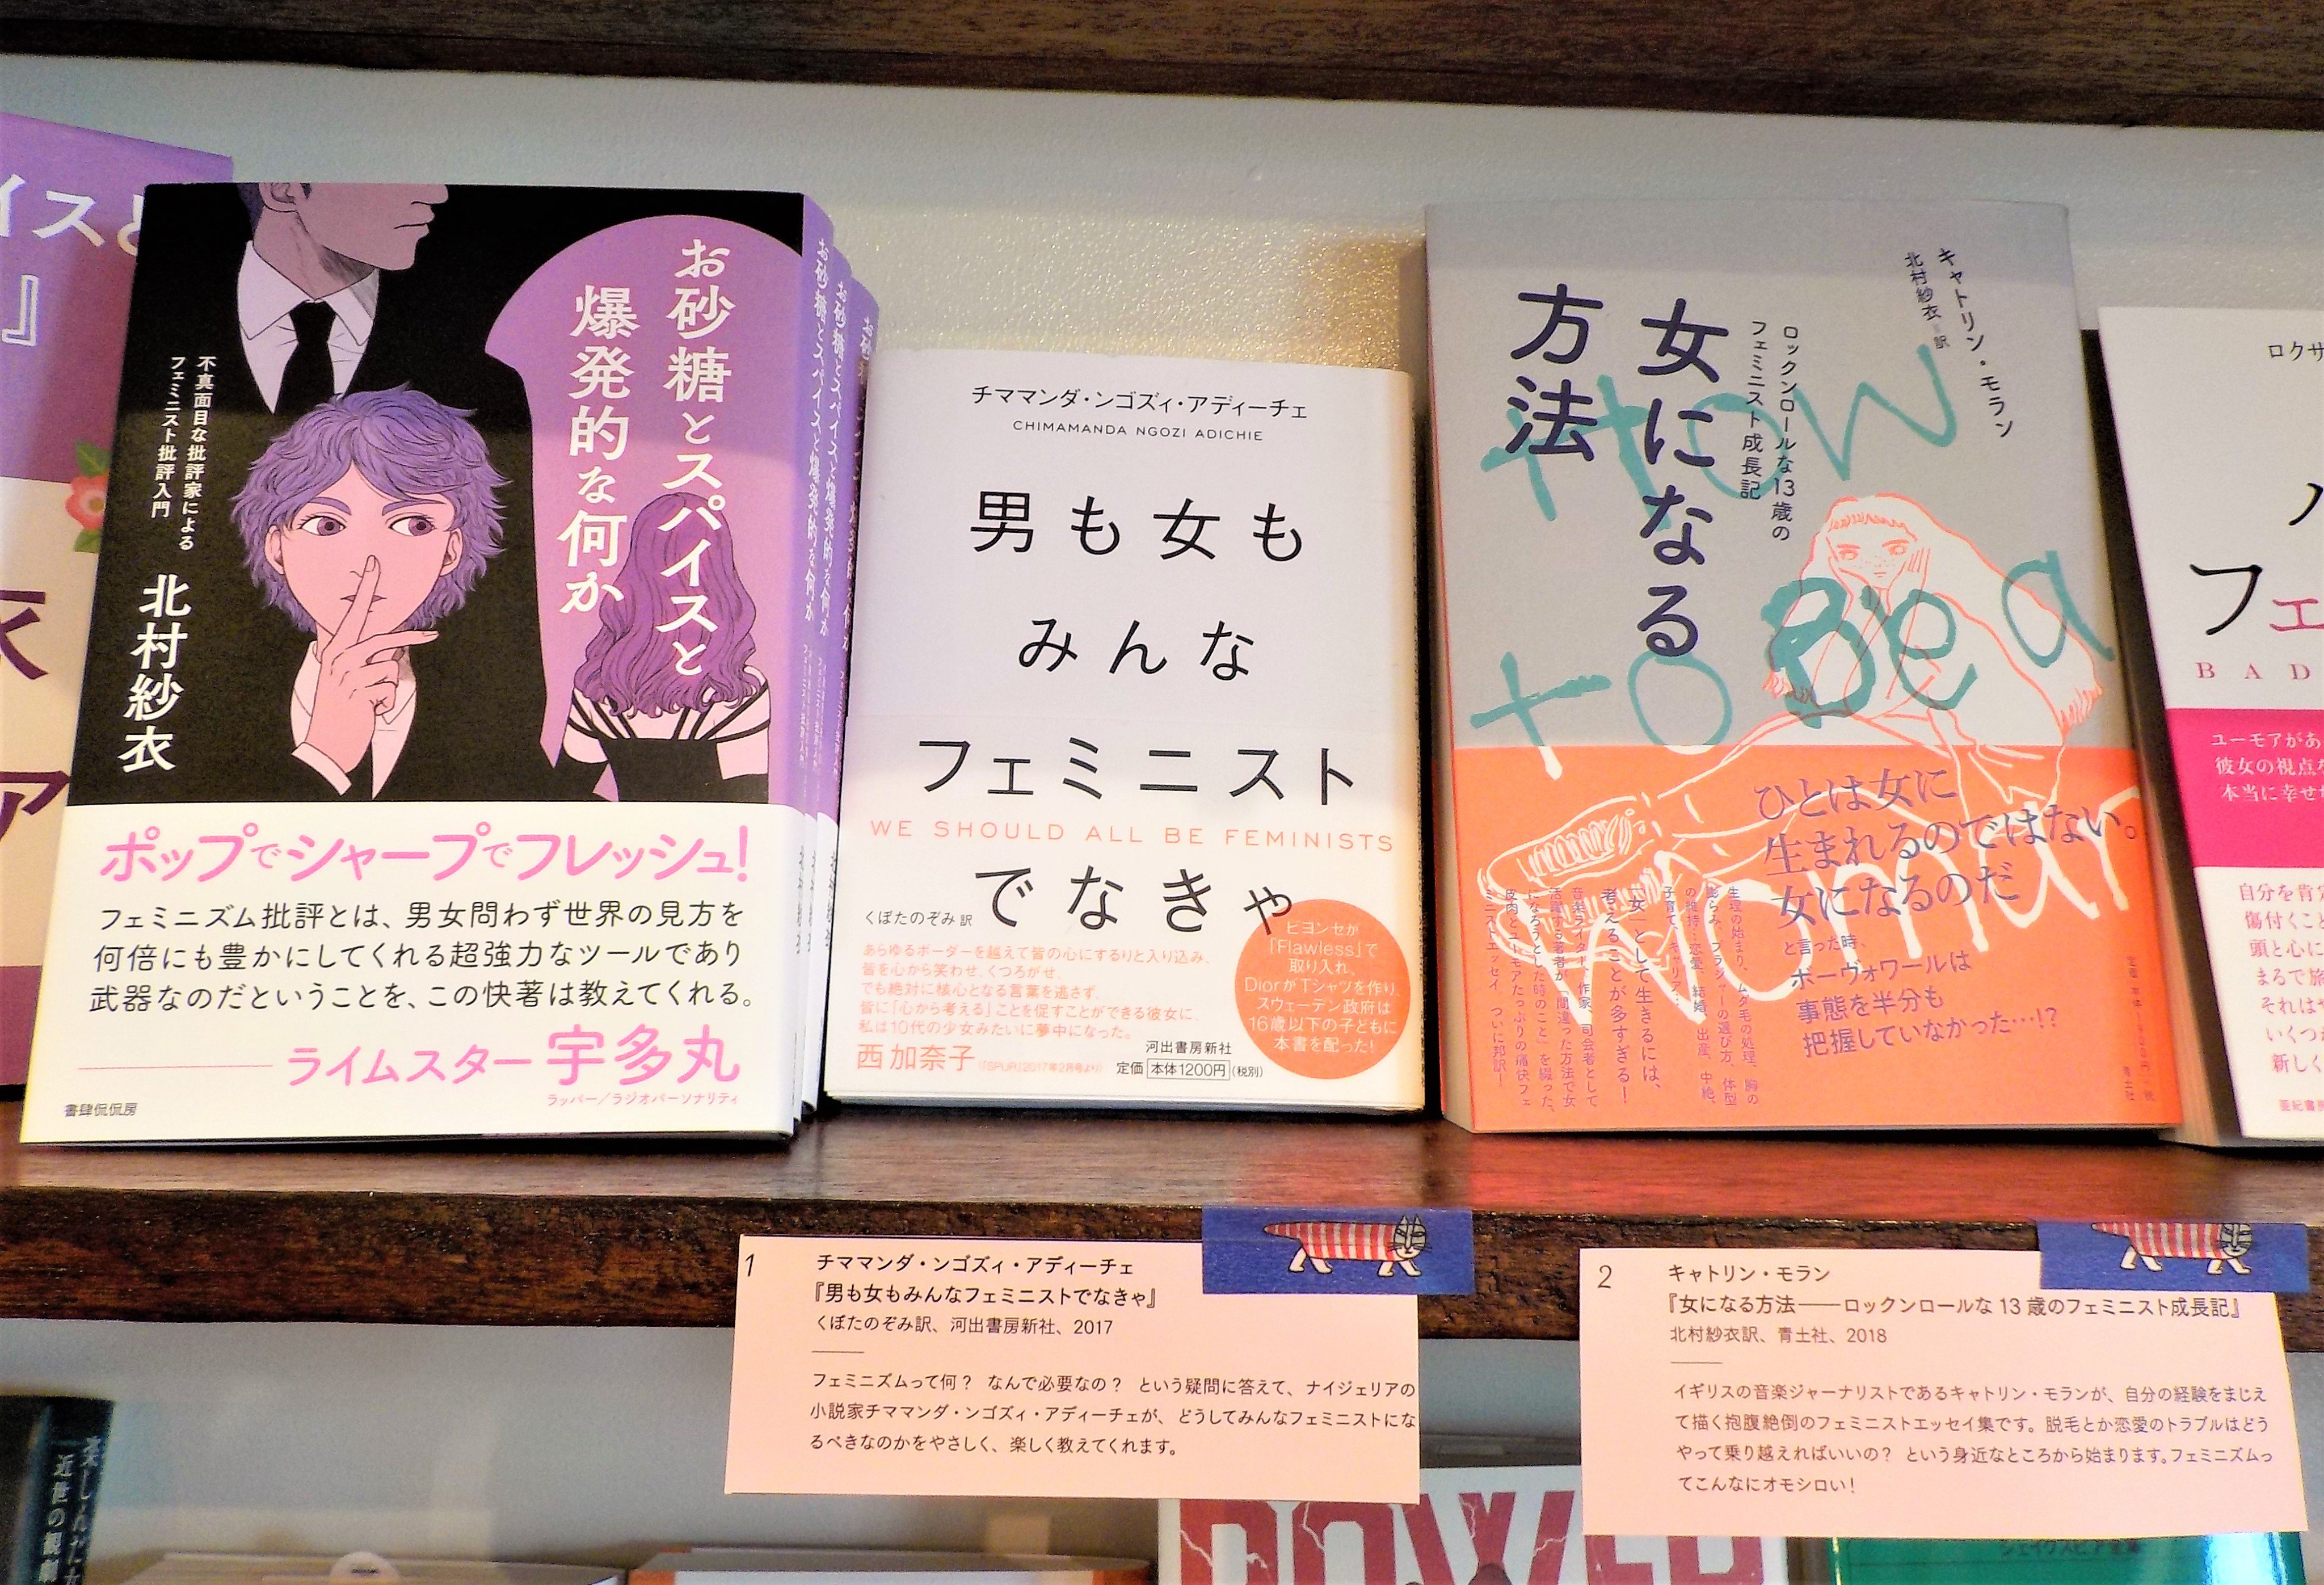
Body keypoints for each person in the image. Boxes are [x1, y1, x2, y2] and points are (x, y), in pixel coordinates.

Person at [230, 387, 525, 798]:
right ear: (277, 547)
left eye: (414, 525)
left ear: (452, 550)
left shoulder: (496, 707)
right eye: (327, 525)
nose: (368, 561)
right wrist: (324, 757)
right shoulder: (220, 698)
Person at [555, 491, 771, 802]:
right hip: (708, 837)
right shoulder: (736, 690)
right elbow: (749, 808)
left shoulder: (598, 685)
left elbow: (565, 795)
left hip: (626, 837)